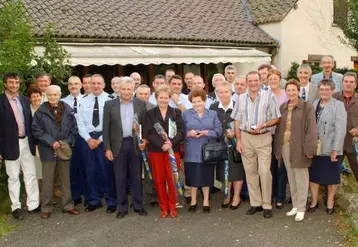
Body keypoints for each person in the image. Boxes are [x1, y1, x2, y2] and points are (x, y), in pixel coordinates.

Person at [231, 71, 281, 218]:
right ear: (247, 83)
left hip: (263, 138)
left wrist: (264, 124)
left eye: (255, 80)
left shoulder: (269, 96)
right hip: (246, 138)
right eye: (250, 81)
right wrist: (239, 140)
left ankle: (267, 204)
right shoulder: (240, 98)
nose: (253, 83)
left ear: (260, 81)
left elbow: (276, 117)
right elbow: (237, 120)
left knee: (265, 172)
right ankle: (256, 203)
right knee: (250, 171)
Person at [32, 85, 79, 219]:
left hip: (64, 149)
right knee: (48, 180)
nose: (53, 97)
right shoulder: (40, 112)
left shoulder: (68, 110)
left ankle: (68, 206)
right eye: (50, 95)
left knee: (65, 180)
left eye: (55, 95)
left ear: (59, 95)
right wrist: (51, 142)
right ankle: (46, 208)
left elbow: (74, 130)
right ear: (46, 96)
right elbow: (36, 130)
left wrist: (65, 142)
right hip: (48, 149)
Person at [103, 76, 148, 219]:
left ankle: (138, 205)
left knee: (136, 177)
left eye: (129, 89)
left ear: (133, 90)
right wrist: (107, 148)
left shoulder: (141, 103)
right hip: (118, 145)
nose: (126, 91)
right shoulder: (110, 104)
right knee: (120, 178)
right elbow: (106, 128)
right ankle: (122, 207)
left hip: (135, 144)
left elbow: (145, 125)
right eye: (123, 89)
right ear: (118, 89)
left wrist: (144, 140)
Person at [274, 79, 317, 222]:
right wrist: (278, 149)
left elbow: (311, 129)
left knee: (301, 178)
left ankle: (302, 208)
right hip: (285, 146)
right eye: (288, 90)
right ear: (286, 92)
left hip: (300, 147)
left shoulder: (307, 107)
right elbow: (280, 129)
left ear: (298, 91)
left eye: (294, 90)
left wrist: (310, 148)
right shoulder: (283, 107)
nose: (291, 92)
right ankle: (295, 205)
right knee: (291, 177)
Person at [0, 72, 40, 220]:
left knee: (30, 174)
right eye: (11, 83)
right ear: (5, 84)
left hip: (26, 141)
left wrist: (35, 142)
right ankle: (15, 206)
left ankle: (33, 205)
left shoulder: (24, 100)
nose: (14, 85)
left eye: (16, 83)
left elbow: (29, 122)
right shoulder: (0, 101)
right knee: (13, 177)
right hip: (9, 144)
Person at [143, 85, 185, 218]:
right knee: (159, 179)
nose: (163, 100)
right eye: (161, 97)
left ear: (169, 98)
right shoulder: (150, 114)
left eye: (166, 97)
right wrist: (162, 144)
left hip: (173, 151)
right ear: (156, 98)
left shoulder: (176, 112)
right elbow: (148, 132)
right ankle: (163, 206)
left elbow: (182, 131)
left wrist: (171, 143)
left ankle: (173, 206)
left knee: (172, 179)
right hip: (156, 151)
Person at [77, 74, 117, 213]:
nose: (95, 86)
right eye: (93, 83)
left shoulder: (111, 100)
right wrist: (88, 139)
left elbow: (112, 123)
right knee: (90, 171)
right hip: (87, 140)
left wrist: (100, 139)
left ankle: (111, 201)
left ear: (104, 84)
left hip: (104, 138)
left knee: (107, 172)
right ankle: (94, 200)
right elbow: (80, 123)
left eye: (98, 83)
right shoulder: (83, 101)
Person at [309, 79, 347, 215]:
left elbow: (341, 129)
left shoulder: (338, 105)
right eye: (322, 89)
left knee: (331, 177)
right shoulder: (315, 103)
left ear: (332, 90)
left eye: (327, 89)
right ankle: (314, 201)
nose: (324, 92)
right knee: (314, 176)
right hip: (316, 147)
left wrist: (335, 149)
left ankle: (330, 201)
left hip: (331, 147)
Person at [182, 89, 222, 213]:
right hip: (191, 149)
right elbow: (179, 131)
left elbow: (219, 131)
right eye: (194, 102)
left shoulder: (213, 114)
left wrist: (207, 132)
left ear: (204, 101)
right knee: (192, 177)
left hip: (207, 151)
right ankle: (193, 201)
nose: (197, 104)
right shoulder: (185, 114)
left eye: (199, 101)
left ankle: (206, 201)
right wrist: (189, 133)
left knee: (206, 177)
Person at [210, 82, 244, 210]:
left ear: (231, 93)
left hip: (236, 144)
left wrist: (235, 133)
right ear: (217, 93)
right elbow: (211, 125)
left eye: (226, 92)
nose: (224, 94)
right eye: (221, 92)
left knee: (237, 171)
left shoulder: (238, 106)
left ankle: (236, 197)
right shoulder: (213, 108)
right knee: (224, 172)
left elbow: (244, 123)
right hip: (220, 145)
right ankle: (227, 195)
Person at [61, 76, 87, 206]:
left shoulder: (88, 100)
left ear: (81, 85)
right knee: (72, 167)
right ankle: (75, 195)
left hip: (85, 137)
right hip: (69, 138)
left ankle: (88, 194)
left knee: (86, 166)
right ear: (68, 86)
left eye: (76, 84)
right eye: (71, 84)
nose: (73, 86)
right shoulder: (63, 101)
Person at [267, 70, 288, 209]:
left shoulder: (286, 95)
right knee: (269, 168)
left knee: (281, 167)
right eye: (271, 79)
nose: (273, 81)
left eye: (276, 78)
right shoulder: (264, 95)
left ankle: (280, 197)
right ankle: (270, 195)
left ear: (280, 80)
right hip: (267, 135)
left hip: (281, 135)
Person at [333, 72, 358, 181]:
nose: (348, 84)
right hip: (337, 144)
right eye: (346, 81)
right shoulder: (333, 98)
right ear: (342, 83)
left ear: (355, 84)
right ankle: (330, 198)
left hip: (354, 143)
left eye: (351, 82)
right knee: (332, 175)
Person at [27, 86, 43, 180]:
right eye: (33, 97)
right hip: (31, 143)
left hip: (44, 143)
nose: (36, 99)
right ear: (29, 98)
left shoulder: (46, 109)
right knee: (33, 169)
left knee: (44, 169)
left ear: (41, 96)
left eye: (38, 96)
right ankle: (35, 192)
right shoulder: (27, 111)